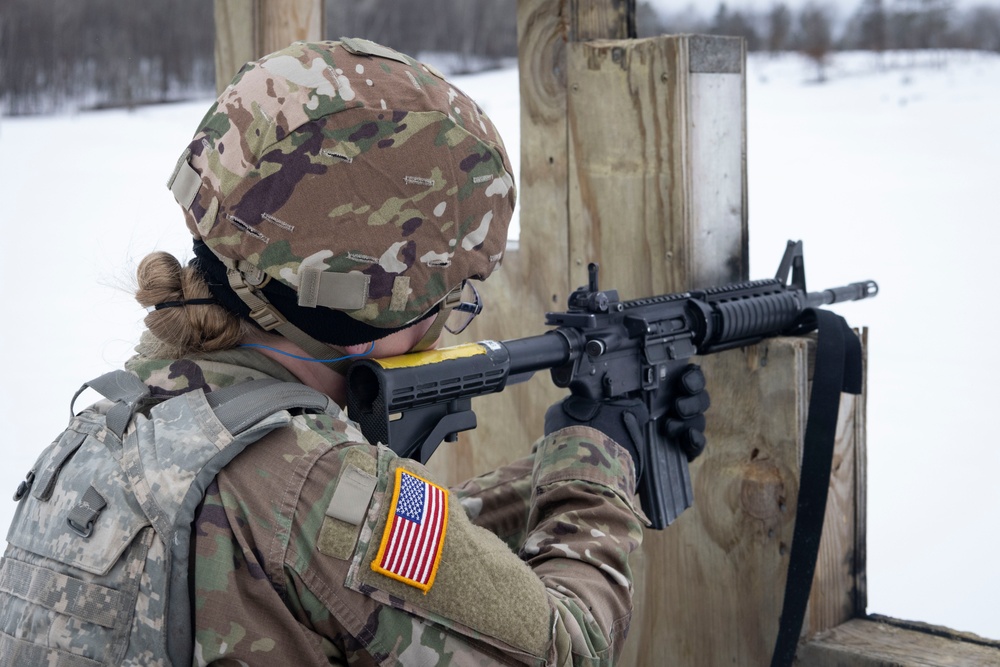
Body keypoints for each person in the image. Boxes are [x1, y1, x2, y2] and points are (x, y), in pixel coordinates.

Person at [2, 39, 708, 666]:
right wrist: (598, 467)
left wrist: (552, 469)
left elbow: (360, 557)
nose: (441, 330)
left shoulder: (117, 421)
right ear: (373, 308)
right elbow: (570, 646)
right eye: (444, 303)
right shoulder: (315, 487)